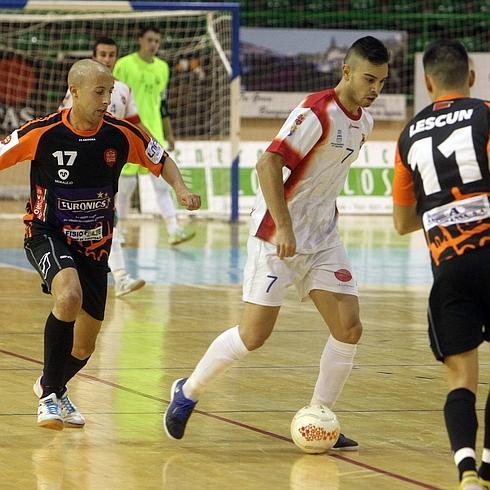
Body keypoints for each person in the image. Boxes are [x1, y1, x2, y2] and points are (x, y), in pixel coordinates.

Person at [163, 36, 390, 450]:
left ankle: (320, 415)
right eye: (369, 79)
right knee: (253, 336)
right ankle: (188, 390)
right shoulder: (316, 111)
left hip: (322, 239)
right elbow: (268, 163)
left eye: (381, 82)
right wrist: (285, 227)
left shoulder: (366, 123)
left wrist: (312, 226)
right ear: (347, 72)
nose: (375, 90)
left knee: (349, 327)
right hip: (276, 234)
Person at [0, 59, 200, 430]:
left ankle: (54, 386)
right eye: (99, 91)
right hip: (46, 233)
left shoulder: (121, 134)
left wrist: (182, 189)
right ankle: (48, 397)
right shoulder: (43, 132)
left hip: (95, 247)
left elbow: (162, 159)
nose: (108, 99)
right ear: (73, 92)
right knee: (68, 297)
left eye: (110, 91)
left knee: (84, 347)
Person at [392, 40, 489, 490]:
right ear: (471, 77)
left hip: (449, 267)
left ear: (428, 83)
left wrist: (440, 210)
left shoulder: (408, 135)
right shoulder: (486, 112)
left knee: (461, 380)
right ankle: (488, 466)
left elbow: (401, 222)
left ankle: (467, 471)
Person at [60, 36, 145, 297]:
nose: (107, 59)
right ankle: (108, 275)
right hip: (80, 164)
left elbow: (136, 125)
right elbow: (63, 123)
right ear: (94, 56)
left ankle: (117, 277)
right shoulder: (78, 90)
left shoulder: (123, 90)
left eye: (111, 54)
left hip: (109, 163)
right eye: (102, 54)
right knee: (96, 220)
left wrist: (155, 149)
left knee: (108, 219)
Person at [113, 26, 194, 246]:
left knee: (161, 185)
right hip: (129, 131)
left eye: (157, 41)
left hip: (153, 133)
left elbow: (163, 104)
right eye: (150, 40)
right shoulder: (124, 65)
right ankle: (117, 231)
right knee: (125, 187)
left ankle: (174, 229)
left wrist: (169, 133)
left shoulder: (163, 68)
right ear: (140, 40)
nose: (153, 44)